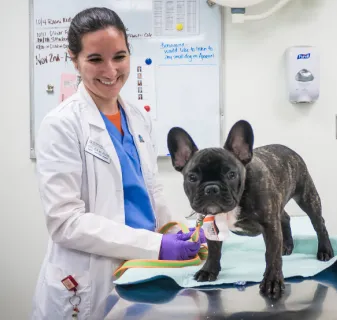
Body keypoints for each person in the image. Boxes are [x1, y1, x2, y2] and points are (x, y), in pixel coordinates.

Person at [31, 7, 205, 320]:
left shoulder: (138, 118)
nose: (111, 71)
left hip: (142, 270)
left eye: (120, 56)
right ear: (75, 60)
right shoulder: (60, 125)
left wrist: (179, 231)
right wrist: (156, 245)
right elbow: (64, 222)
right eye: (95, 59)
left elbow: (149, 189)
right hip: (88, 279)